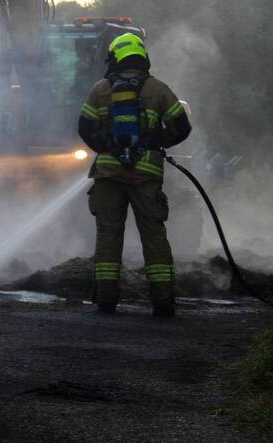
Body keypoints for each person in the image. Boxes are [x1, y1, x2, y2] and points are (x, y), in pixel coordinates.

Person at [76, 33, 192, 317]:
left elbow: (84, 128)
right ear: (142, 57)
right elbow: (182, 126)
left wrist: (106, 148)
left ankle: (105, 300)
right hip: (146, 175)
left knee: (108, 234)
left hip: (108, 175)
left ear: (114, 58)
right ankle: (163, 302)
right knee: (153, 235)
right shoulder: (158, 89)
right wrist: (157, 142)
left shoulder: (100, 89)